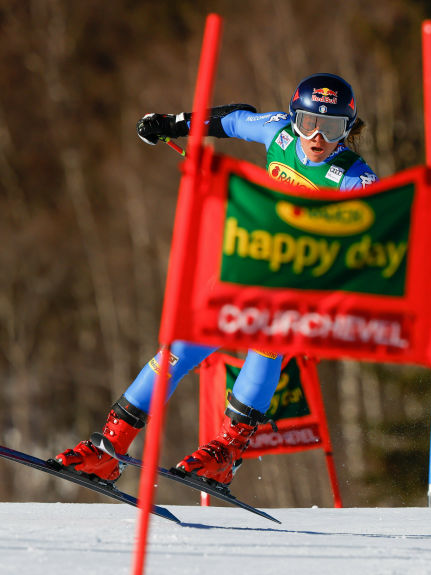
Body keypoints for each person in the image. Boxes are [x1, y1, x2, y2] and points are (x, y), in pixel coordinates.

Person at [52, 73, 378, 493]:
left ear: (347, 130)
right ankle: (108, 446)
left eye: (331, 128)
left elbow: (379, 228)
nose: (317, 137)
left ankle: (225, 452)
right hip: (248, 268)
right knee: (181, 347)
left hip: (297, 284)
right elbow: (233, 119)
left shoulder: (352, 176)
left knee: (265, 344)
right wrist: (174, 123)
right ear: (293, 118)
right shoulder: (278, 135)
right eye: (307, 123)